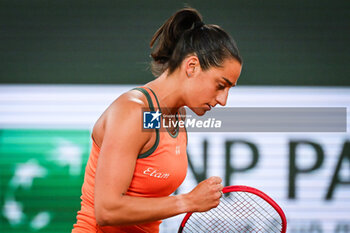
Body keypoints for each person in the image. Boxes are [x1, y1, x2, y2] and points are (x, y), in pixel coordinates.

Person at [72, 7, 242, 233]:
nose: (223, 100)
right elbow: (107, 210)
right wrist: (187, 201)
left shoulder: (174, 116)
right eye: (221, 85)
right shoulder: (135, 112)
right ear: (191, 66)